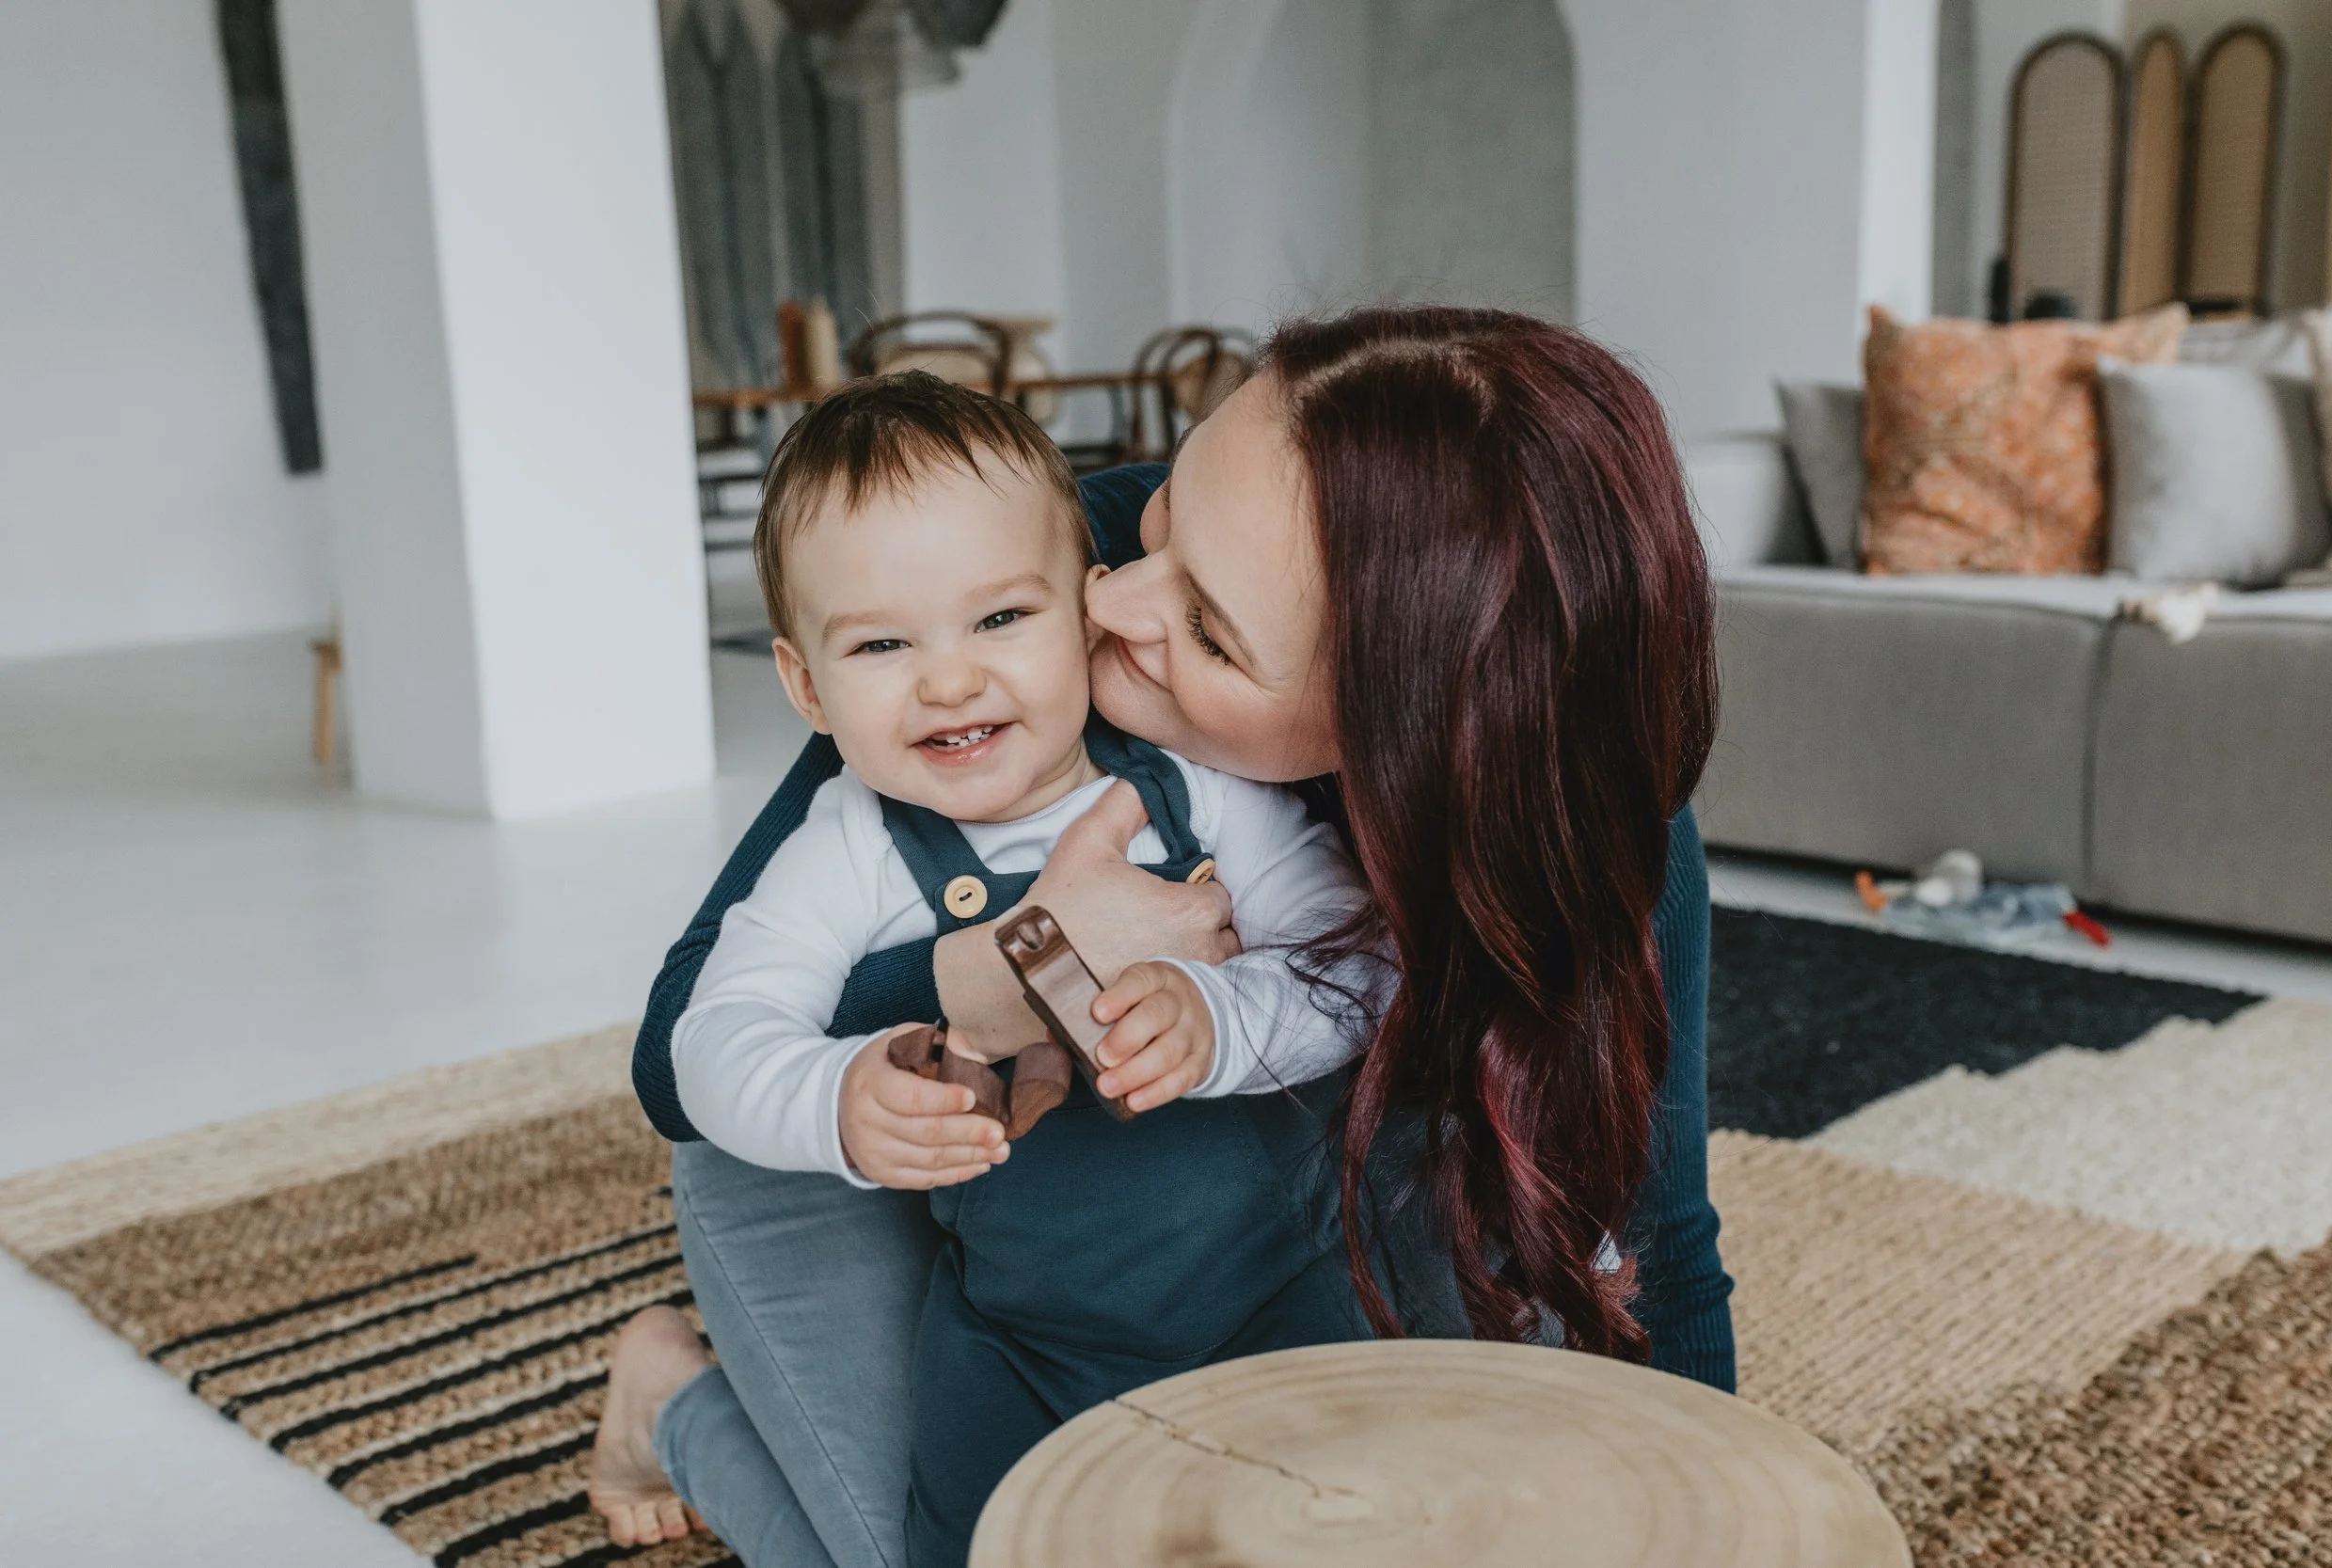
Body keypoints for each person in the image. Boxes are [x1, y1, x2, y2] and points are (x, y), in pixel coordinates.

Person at [589, 306, 1734, 1568]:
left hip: (1243, 1235)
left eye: (1210, 630)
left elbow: (1660, 1231)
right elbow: (685, 1053)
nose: (1106, 602)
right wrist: (1018, 963)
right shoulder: (984, 565)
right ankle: (672, 1402)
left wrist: (1716, 1520)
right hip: (864, 1165)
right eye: (1161, 519)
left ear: (1391, 740)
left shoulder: (1557, 805)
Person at [655, 370, 1378, 1565]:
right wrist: (834, 1098)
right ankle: (673, 1407)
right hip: (1025, 1342)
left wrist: (1220, 1017)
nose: (950, 679)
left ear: (1085, 611)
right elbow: (709, 1038)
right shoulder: (850, 845)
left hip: (1284, 1292)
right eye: (882, 643)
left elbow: (1354, 962)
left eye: (1000, 620)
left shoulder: (1192, 785)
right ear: (806, 685)